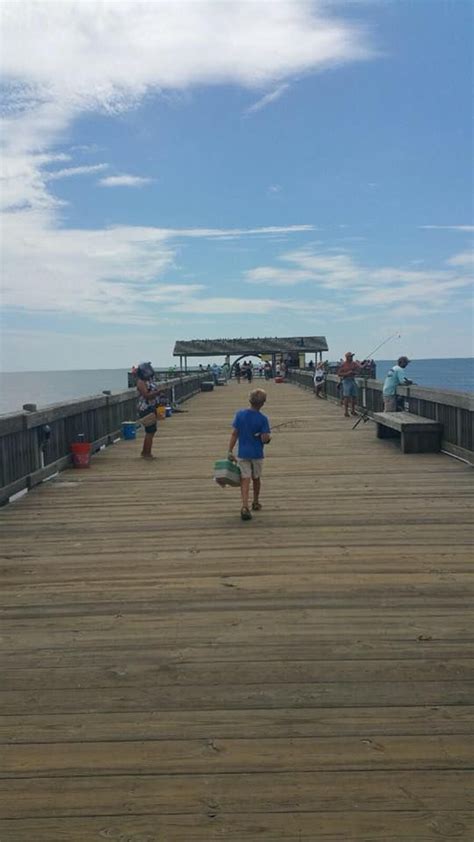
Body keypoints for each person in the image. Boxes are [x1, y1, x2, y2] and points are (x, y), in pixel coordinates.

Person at [227, 389, 271, 521]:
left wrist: (229, 450)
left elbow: (235, 433)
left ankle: (244, 506)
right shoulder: (263, 419)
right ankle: (256, 502)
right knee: (256, 478)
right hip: (257, 454)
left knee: (244, 479)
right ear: (262, 403)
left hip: (243, 453)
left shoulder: (240, 415)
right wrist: (267, 438)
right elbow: (264, 439)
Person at [136, 362, 162, 459]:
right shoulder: (140, 382)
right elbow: (146, 395)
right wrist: (157, 393)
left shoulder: (149, 381)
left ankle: (145, 452)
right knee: (150, 431)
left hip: (152, 407)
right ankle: (146, 453)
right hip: (145, 408)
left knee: (152, 431)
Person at [337, 352, 361, 417]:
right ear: (347, 357)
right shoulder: (343, 365)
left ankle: (353, 411)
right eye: (350, 356)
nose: (352, 358)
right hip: (346, 381)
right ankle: (346, 412)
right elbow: (339, 373)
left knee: (354, 396)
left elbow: (359, 370)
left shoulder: (354, 363)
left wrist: (354, 372)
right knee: (346, 397)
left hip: (353, 380)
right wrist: (347, 373)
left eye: (352, 356)